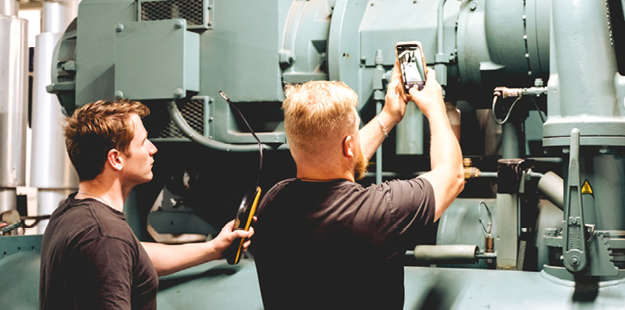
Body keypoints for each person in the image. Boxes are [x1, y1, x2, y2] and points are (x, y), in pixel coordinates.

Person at [254, 64, 464, 309]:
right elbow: (452, 176)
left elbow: (328, 155)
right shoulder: (381, 212)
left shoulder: (273, 202)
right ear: (349, 146)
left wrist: (389, 115)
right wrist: (436, 106)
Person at [40, 99, 254, 310]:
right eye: (143, 142)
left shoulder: (69, 213)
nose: (153, 149)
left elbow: (132, 255)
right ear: (116, 159)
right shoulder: (105, 236)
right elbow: (113, 250)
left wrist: (213, 248)